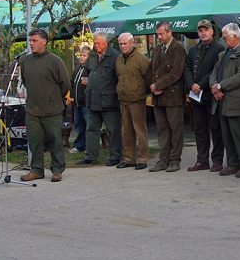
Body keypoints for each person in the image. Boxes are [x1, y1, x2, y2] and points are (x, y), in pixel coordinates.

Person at [19, 29, 70, 182]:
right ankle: (36, 170)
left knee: (55, 141)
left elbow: (65, 84)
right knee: (34, 142)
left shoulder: (55, 61)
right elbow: (25, 82)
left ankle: (57, 169)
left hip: (52, 110)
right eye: (30, 40)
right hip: (32, 110)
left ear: (44, 42)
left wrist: (53, 99)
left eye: (34, 40)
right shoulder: (25, 61)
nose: (31, 43)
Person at [210, 23, 240, 178]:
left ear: (235, 36)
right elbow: (214, 72)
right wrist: (214, 86)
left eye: (225, 37)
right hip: (223, 103)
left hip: (238, 103)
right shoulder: (224, 54)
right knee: (227, 136)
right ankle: (232, 163)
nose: (223, 40)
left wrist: (220, 86)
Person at [184, 19, 226, 172]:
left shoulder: (219, 48)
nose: (203, 33)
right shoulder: (193, 50)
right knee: (200, 130)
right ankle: (202, 160)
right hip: (196, 96)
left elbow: (215, 70)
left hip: (211, 95)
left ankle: (217, 160)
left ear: (212, 31)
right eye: (200, 30)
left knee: (216, 129)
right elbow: (187, 68)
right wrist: (191, 84)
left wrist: (200, 85)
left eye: (206, 30)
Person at [80, 31, 122, 166]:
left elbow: (120, 77)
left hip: (109, 101)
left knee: (113, 130)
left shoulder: (115, 56)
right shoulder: (92, 55)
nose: (95, 45)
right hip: (92, 99)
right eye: (94, 42)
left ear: (106, 43)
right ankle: (90, 156)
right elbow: (88, 70)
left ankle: (115, 156)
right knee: (91, 129)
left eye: (98, 43)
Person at [149, 22, 186, 173]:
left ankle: (175, 159)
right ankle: (163, 159)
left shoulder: (179, 49)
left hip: (173, 96)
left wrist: (158, 85)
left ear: (169, 32)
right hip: (158, 97)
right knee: (162, 129)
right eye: (157, 34)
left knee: (175, 129)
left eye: (161, 34)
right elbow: (152, 70)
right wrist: (153, 86)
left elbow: (176, 73)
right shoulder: (157, 49)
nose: (158, 37)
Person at [114, 33, 151, 171]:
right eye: (120, 44)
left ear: (131, 43)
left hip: (137, 100)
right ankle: (129, 158)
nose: (122, 46)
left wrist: (142, 93)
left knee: (140, 130)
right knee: (126, 131)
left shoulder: (141, 59)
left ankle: (142, 159)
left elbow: (148, 77)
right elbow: (118, 77)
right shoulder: (118, 59)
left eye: (125, 43)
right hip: (123, 100)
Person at [68, 46, 90, 154]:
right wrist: (72, 95)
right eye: (80, 55)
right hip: (76, 102)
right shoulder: (76, 69)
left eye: (84, 55)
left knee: (88, 125)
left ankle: (89, 146)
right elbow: (72, 82)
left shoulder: (89, 69)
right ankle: (79, 145)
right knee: (78, 125)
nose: (81, 57)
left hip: (86, 103)